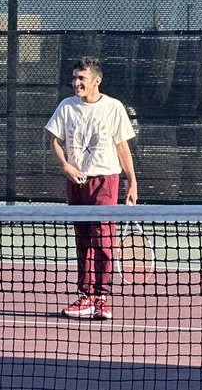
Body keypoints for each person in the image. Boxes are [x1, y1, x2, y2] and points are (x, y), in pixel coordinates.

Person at [45, 57, 138, 321]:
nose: (76, 83)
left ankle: (102, 297)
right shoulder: (66, 107)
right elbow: (55, 140)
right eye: (74, 78)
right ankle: (86, 297)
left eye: (82, 79)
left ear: (96, 80)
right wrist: (66, 166)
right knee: (83, 240)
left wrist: (132, 181)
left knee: (104, 240)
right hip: (77, 182)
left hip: (105, 180)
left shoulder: (113, 107)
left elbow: (122, 146)